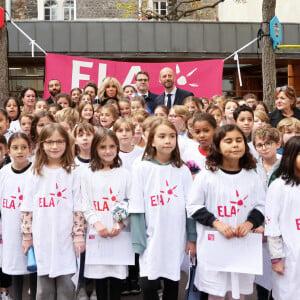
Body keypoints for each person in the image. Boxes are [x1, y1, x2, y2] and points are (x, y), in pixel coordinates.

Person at [187, 124, 265, 300]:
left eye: (239, 140)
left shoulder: (252, 176)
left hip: (242, 244)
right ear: (217, 146)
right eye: (228, 141)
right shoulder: (206, 176)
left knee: (238, 294)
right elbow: (193, 206)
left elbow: (261, 206)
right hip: (215, 243)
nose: (235, 145)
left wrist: (249, 223)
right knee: (216, 293)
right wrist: (217, 223)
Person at [129, 118, 196, 300]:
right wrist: (138, 240)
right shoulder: (141, 168)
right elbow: (136, 205)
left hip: (175, 236)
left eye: (172, 136)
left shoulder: (182, 170)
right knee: (148, 283)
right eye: (162, 136)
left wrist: (191, 237)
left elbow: (190, 207)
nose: (168, 141)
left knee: (172, 283)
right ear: (152, 141)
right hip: (150, 236)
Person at [20, 123, 85, 300]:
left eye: (59, 142)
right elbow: (27, 207)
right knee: (43, 289)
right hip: (42, 236)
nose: (54, 146)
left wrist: (78, 235)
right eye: (49, 142)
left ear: (67, 143)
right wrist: (27, 236)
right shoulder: (35, 172)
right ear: (42, 144)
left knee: (66, 286)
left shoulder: (74, 171)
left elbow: (78, 207)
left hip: (66, 237)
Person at [81, 129, 131, 300]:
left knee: (116, 281)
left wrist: (120, 223)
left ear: (117, 148)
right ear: (95, 149)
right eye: (103, 147)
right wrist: (97, 223)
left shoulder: (124, 173)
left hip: (119, 232)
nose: (108, 151)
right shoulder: (88, 173)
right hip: (98, 232)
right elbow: (85, 203)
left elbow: (129, 201)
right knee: (100, 280)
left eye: (111, 146)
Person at [0, 133, 37, 300]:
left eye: (23, 147)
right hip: (10, 227)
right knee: (15, 267)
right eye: (15, 148)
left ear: (30, 149)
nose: (20, 151)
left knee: (34, 267)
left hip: (33, 228)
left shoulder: (36, 171)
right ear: (8, 151)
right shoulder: (4, 173)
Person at [265, 136, 300, 299]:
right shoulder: (279, 186)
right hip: (289, 257)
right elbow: (272, 225)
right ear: (291, 156)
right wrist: (276, 257)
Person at [182, 113, 217, 177]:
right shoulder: (188, 154)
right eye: (197, 132)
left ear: (215, 130)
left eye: (206, 131)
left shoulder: (222, 154)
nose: (202, 135)